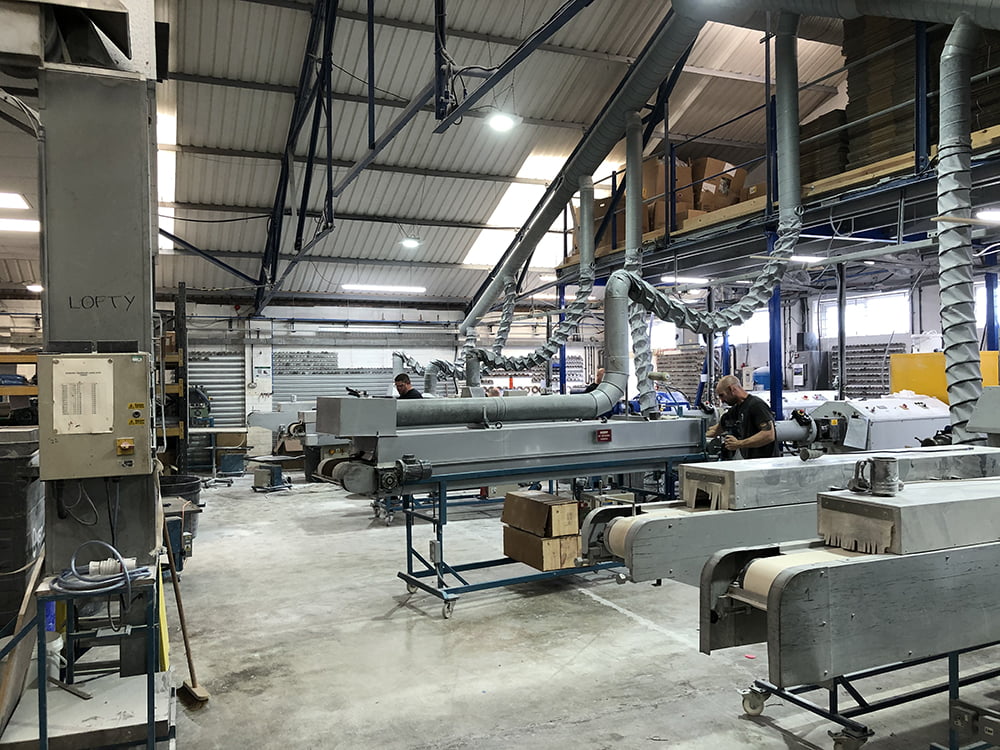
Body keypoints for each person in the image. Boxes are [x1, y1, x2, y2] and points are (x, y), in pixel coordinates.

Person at [705, 374, 776, 459]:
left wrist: (738, 444)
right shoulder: (737, 409)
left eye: (722, 395)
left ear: (731, 389)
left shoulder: (756, 405)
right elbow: (716, 429)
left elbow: (769, 435)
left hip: (766, 463)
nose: (722, 400)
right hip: (750, 462)